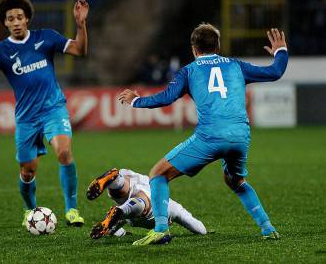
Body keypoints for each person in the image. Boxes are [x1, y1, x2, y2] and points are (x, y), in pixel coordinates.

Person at [119, 24, 288, 245]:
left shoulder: (189, 70)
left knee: (158, 174)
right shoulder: (236, 65)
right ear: (217, 45)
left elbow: (166, 97)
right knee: (235, 181)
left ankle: (161, 229)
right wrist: (281, 51)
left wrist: (136, 100)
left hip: (210, 136)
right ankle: (267, 228)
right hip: (240, 135)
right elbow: (275, 72)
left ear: (194, 49)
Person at [0, 0, 89, 227]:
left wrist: (80, 24)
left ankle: (72, 210)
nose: (16, 21)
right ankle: (31, 212)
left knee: (64, 153)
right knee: (28, 171)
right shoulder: (0, 51)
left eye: (20, 17)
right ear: (6, 23)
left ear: (27, 18)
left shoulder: (46, 37)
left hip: (53, 109)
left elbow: (80, 50)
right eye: (11, 18)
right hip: (26, 119)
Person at [86, 168, 207, 240]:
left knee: (124, 196)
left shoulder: (120, 221)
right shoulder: (174, 208)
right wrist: (204, 232)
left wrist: (120, 232)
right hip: (144, 201)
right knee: (143, 205)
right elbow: (199, 228)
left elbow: (110, 228)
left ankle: (116, 181)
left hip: (138, 179)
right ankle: (122, 208)